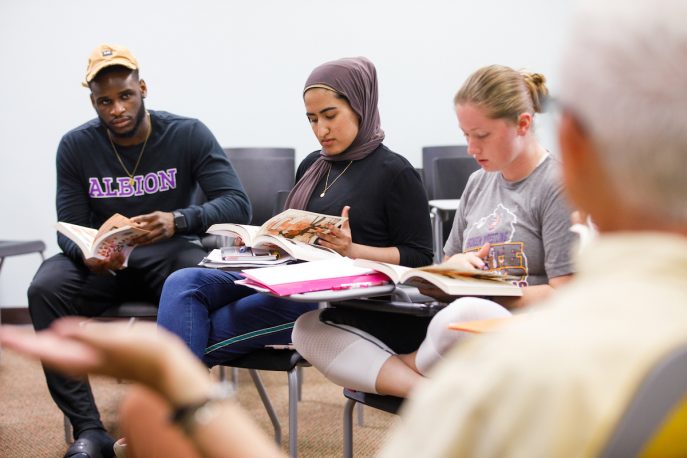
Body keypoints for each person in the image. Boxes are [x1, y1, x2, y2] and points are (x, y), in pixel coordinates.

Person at [293, 64, 578, 398]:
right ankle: (433, 395)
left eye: (482, 135)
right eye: (465, 135)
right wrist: (452, 271)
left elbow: (567, 295)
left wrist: (490, 292)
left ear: (523, 125)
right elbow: (444, 270)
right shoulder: (478, 182)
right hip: (450, 328)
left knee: (466, 312)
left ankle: (404, 371)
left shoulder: (557, 185)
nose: (471, 149)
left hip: (513, 329)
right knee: (309, 329)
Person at [27, 44, 251, 458]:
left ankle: (174, 414)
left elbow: (237, 202)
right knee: (45, 286)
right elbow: (67, 224)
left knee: (194, 279)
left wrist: (179, 219)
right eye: (104, 101)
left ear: (143, 88)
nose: (116, 108)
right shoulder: (75, 146)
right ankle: (90, 431)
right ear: (93, 103)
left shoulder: (187, 133)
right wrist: (87, 253)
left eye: (125, 95)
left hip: (167, 254)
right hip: (103, 265)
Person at [155, 57, 433, 368]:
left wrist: (352, 250)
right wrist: (260, 245)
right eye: (312, 119)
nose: (321, 130)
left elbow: (420, 257)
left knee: (194, 334)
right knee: (183, 282)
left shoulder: (395, 173)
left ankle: (173, 407)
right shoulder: (313, 164)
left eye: (330, 116)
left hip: (334, 296)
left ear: (360, 106)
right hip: (285, 276)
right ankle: (179, 406)